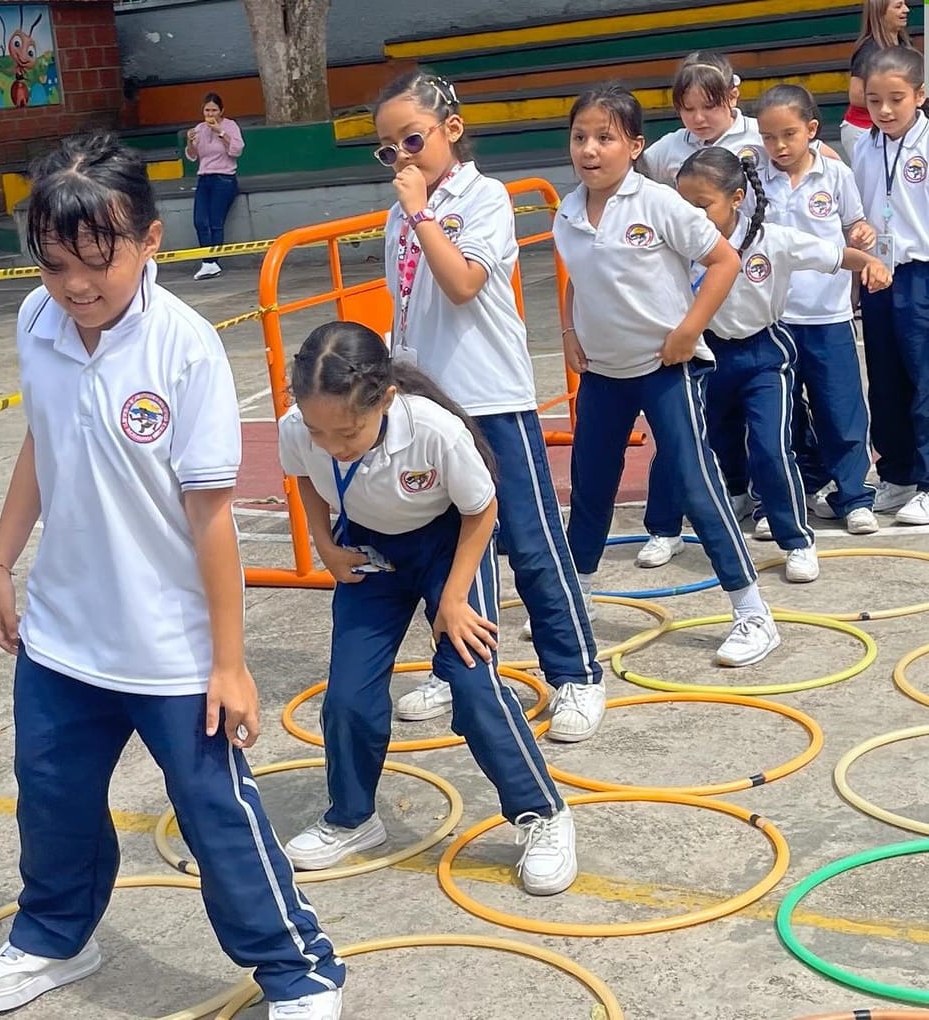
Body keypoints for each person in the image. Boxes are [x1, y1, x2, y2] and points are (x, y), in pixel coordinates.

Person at [0, 134, 344, 1020]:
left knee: (217, 816)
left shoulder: (186, 350)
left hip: (172, 647)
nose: (77, 286)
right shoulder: (36, 321)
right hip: (62, 632)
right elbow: (42, 445)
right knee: (51, 799)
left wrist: (231, 661)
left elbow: (211, 518)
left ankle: (300, 971)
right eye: (57, 265)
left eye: (100, 261)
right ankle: (55, 936)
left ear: (152, 240)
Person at [278, 321, 578, 896]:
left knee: (473, 682)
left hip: (448, 545)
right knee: (348, 694)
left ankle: (543, 815)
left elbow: (482, 511)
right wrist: (325, 545)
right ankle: (352, 817)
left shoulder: (433, 431)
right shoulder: (303, 427)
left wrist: (455, 598)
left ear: (385, 400)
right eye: (320, 432)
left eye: (347, 433)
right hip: (369, 551)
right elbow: (305, 480)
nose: (332, 446)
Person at [371, 70, 605, 743]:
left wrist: (420, 213)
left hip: (490, 398)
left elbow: (464, 283)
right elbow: (409, 302)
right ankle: (460, 664)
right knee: (446, 548)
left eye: (411, 139)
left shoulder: (485, 199)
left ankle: (575, 673)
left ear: (451, 127)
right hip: (427, 405)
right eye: (388, 150)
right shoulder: (399, 214)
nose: (401, 158)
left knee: (529, 542)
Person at [553, 83, 779, 667]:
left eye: (605, 138)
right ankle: (573, 600)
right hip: (603, 372)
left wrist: (688, 329)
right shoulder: (568, 209)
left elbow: (724, 260)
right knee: (591, 485)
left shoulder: (658, 203)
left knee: (695, 481)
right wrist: (569, 334)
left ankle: (752, 611)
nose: (590, 150)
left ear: (635, 145)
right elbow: (580, 273)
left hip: (666, 368)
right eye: (580, 137)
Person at [645, 148, 891, 581]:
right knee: (678, 440)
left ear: (736, 198)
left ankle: (796, 539)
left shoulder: (771, 240)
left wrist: (871, 262)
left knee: (772, 447)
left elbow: (834, 254)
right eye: (684, 205)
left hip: (762, 356)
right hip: (703, 354)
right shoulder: (675, 243)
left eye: (703, 206)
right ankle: (665, 529)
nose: (693, 216)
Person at [756, 84, 880, 536]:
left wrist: (862, 233)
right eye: (769, 137)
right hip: (774, 317)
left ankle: (854, 496)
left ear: (811, 129)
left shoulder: (834, 174)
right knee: (779, 415)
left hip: (827, 313)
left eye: (789, 134)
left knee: (839, 407)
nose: (780, 146)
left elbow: (854, 222)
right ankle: (785, 499)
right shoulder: (753, 179)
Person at [852, 46, 929, 523]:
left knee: (924, 378)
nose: (884, 110)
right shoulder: (863, 146)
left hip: (921, 272)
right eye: (875, 99)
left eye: (896, 99)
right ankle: (897, 474)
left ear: (920, 95)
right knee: (884, 379)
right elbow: (861, 210)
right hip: (878, 274)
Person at [643, 51, 766, 189]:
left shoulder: (761, 134)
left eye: (709, 107)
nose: (698, 118)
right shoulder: (672, 145)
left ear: (732, 97)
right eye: (688, 109)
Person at [840, 0, 912, 162]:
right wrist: (898, 101)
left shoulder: (904, 45)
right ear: (880, 12)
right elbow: (856, 95)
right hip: (863, 129)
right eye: (898, 6)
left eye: (905, 5)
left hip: (888, 129)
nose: (906, 10)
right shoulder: (869, 49)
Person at [185, 92, 244, 281]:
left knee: (215, 222)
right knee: (200, 220)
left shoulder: (230, 126)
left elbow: (236, 150)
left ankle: (211, 262)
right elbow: (193, 156)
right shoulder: (200, 128)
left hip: (224, 178)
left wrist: (221, 132)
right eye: (207, 110)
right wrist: (189, 141)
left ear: (221, 111)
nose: (210, 114)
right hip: (204, 177)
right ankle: (208, 262)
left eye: (214, 110)